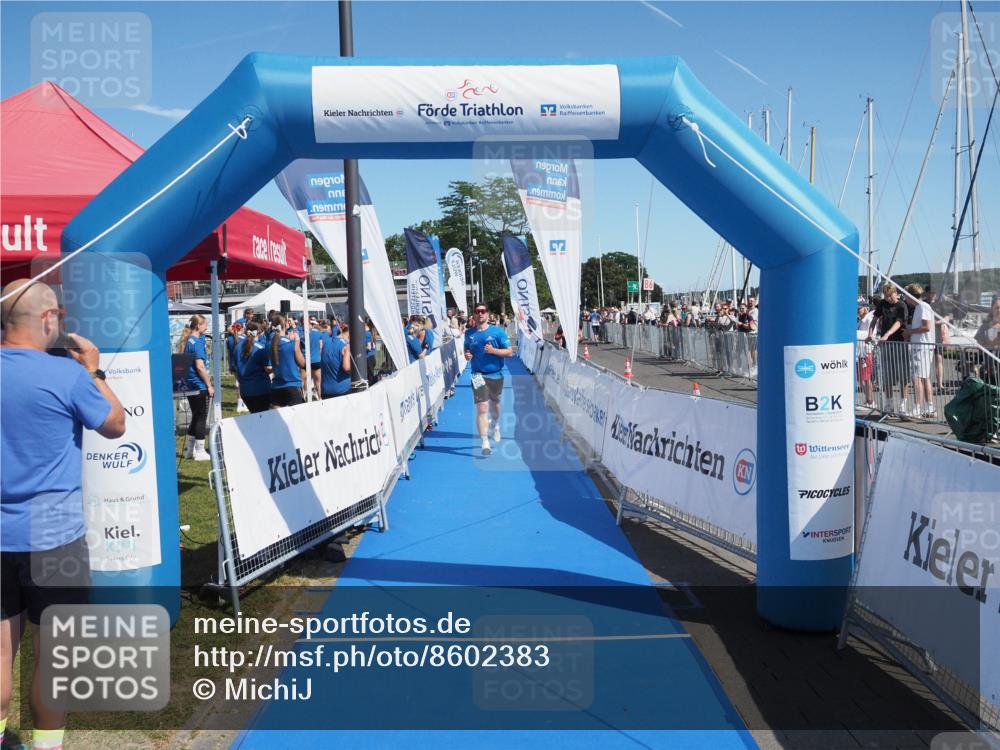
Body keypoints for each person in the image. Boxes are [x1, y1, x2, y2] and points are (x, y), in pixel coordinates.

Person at [1, 280, 126, 750]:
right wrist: (95, 371)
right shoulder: (67, 376)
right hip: (56, 538)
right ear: (48, 318)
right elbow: (115, 424)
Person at [464, 304, 513, 456]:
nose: (480, 314)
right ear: (473, 314)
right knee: (482, 408)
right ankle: (485, 443)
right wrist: (467, 355)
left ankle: (496, 424)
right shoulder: (469, 333)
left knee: (495, 405)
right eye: (477, 312)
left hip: (495, 374)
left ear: (487, 314)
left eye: (483, 311)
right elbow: (467, 350)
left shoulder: (497, 332)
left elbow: (510, 352)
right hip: (477, 374)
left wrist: (494, 351)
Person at [868, 283, 910, 414]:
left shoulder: (901, 305)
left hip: (899, 343)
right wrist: (870, 333)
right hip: (885, 345)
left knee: (903, 376)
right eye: (886, 296)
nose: (888, 299)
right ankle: (889, 404)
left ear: (895, 293)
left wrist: (887, 334)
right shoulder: (882, 304)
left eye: (890, 296)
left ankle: (903, 405)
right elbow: (874, 319)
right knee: (887, 376)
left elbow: (899, 322)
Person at [177, 314, 214, 460]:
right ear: (198, 326)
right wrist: (209, 385)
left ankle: (190, 450)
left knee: (195, 416)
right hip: (198, 384)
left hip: (191, 384)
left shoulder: (190, 340)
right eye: (205, 324)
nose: (207, 327)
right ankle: (199, 451)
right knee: (201, 417)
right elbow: (200, 367)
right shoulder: (196, 342)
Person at [903, 284, 936, 418]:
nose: (905, 298)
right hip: (922, 346)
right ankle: (929, 407)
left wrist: (910, 332)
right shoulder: (920, 307)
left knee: (917, 377)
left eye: (906, 295)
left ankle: (918, 408)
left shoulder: (922, 307)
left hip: (922, 346)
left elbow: (927, 327)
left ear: (910, 295)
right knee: (924, 377)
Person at [269, 314, 305, 407]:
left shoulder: (269, 343)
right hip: (292, 386)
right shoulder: (291, 343)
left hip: (276, 387)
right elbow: (302, 363)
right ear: (285, 325)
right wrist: (297, 342)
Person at [236, 322, 272, 413]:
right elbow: (267, 368)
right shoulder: (260, 348)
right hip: (260, 390)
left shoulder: (237, 347)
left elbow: (234, 369)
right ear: (259, 333)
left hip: (245, 390)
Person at [974, 294, 1000, 386]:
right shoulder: (984, 328)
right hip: (989, 367)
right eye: (997, 308)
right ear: (992, 309)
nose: (999, 310)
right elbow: (979, 348)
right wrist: (992, 343)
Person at [320, 324, 351, 399]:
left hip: (325, 390)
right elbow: (346, 368)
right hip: (341, 390)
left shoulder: (326, 343)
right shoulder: (346, 346)